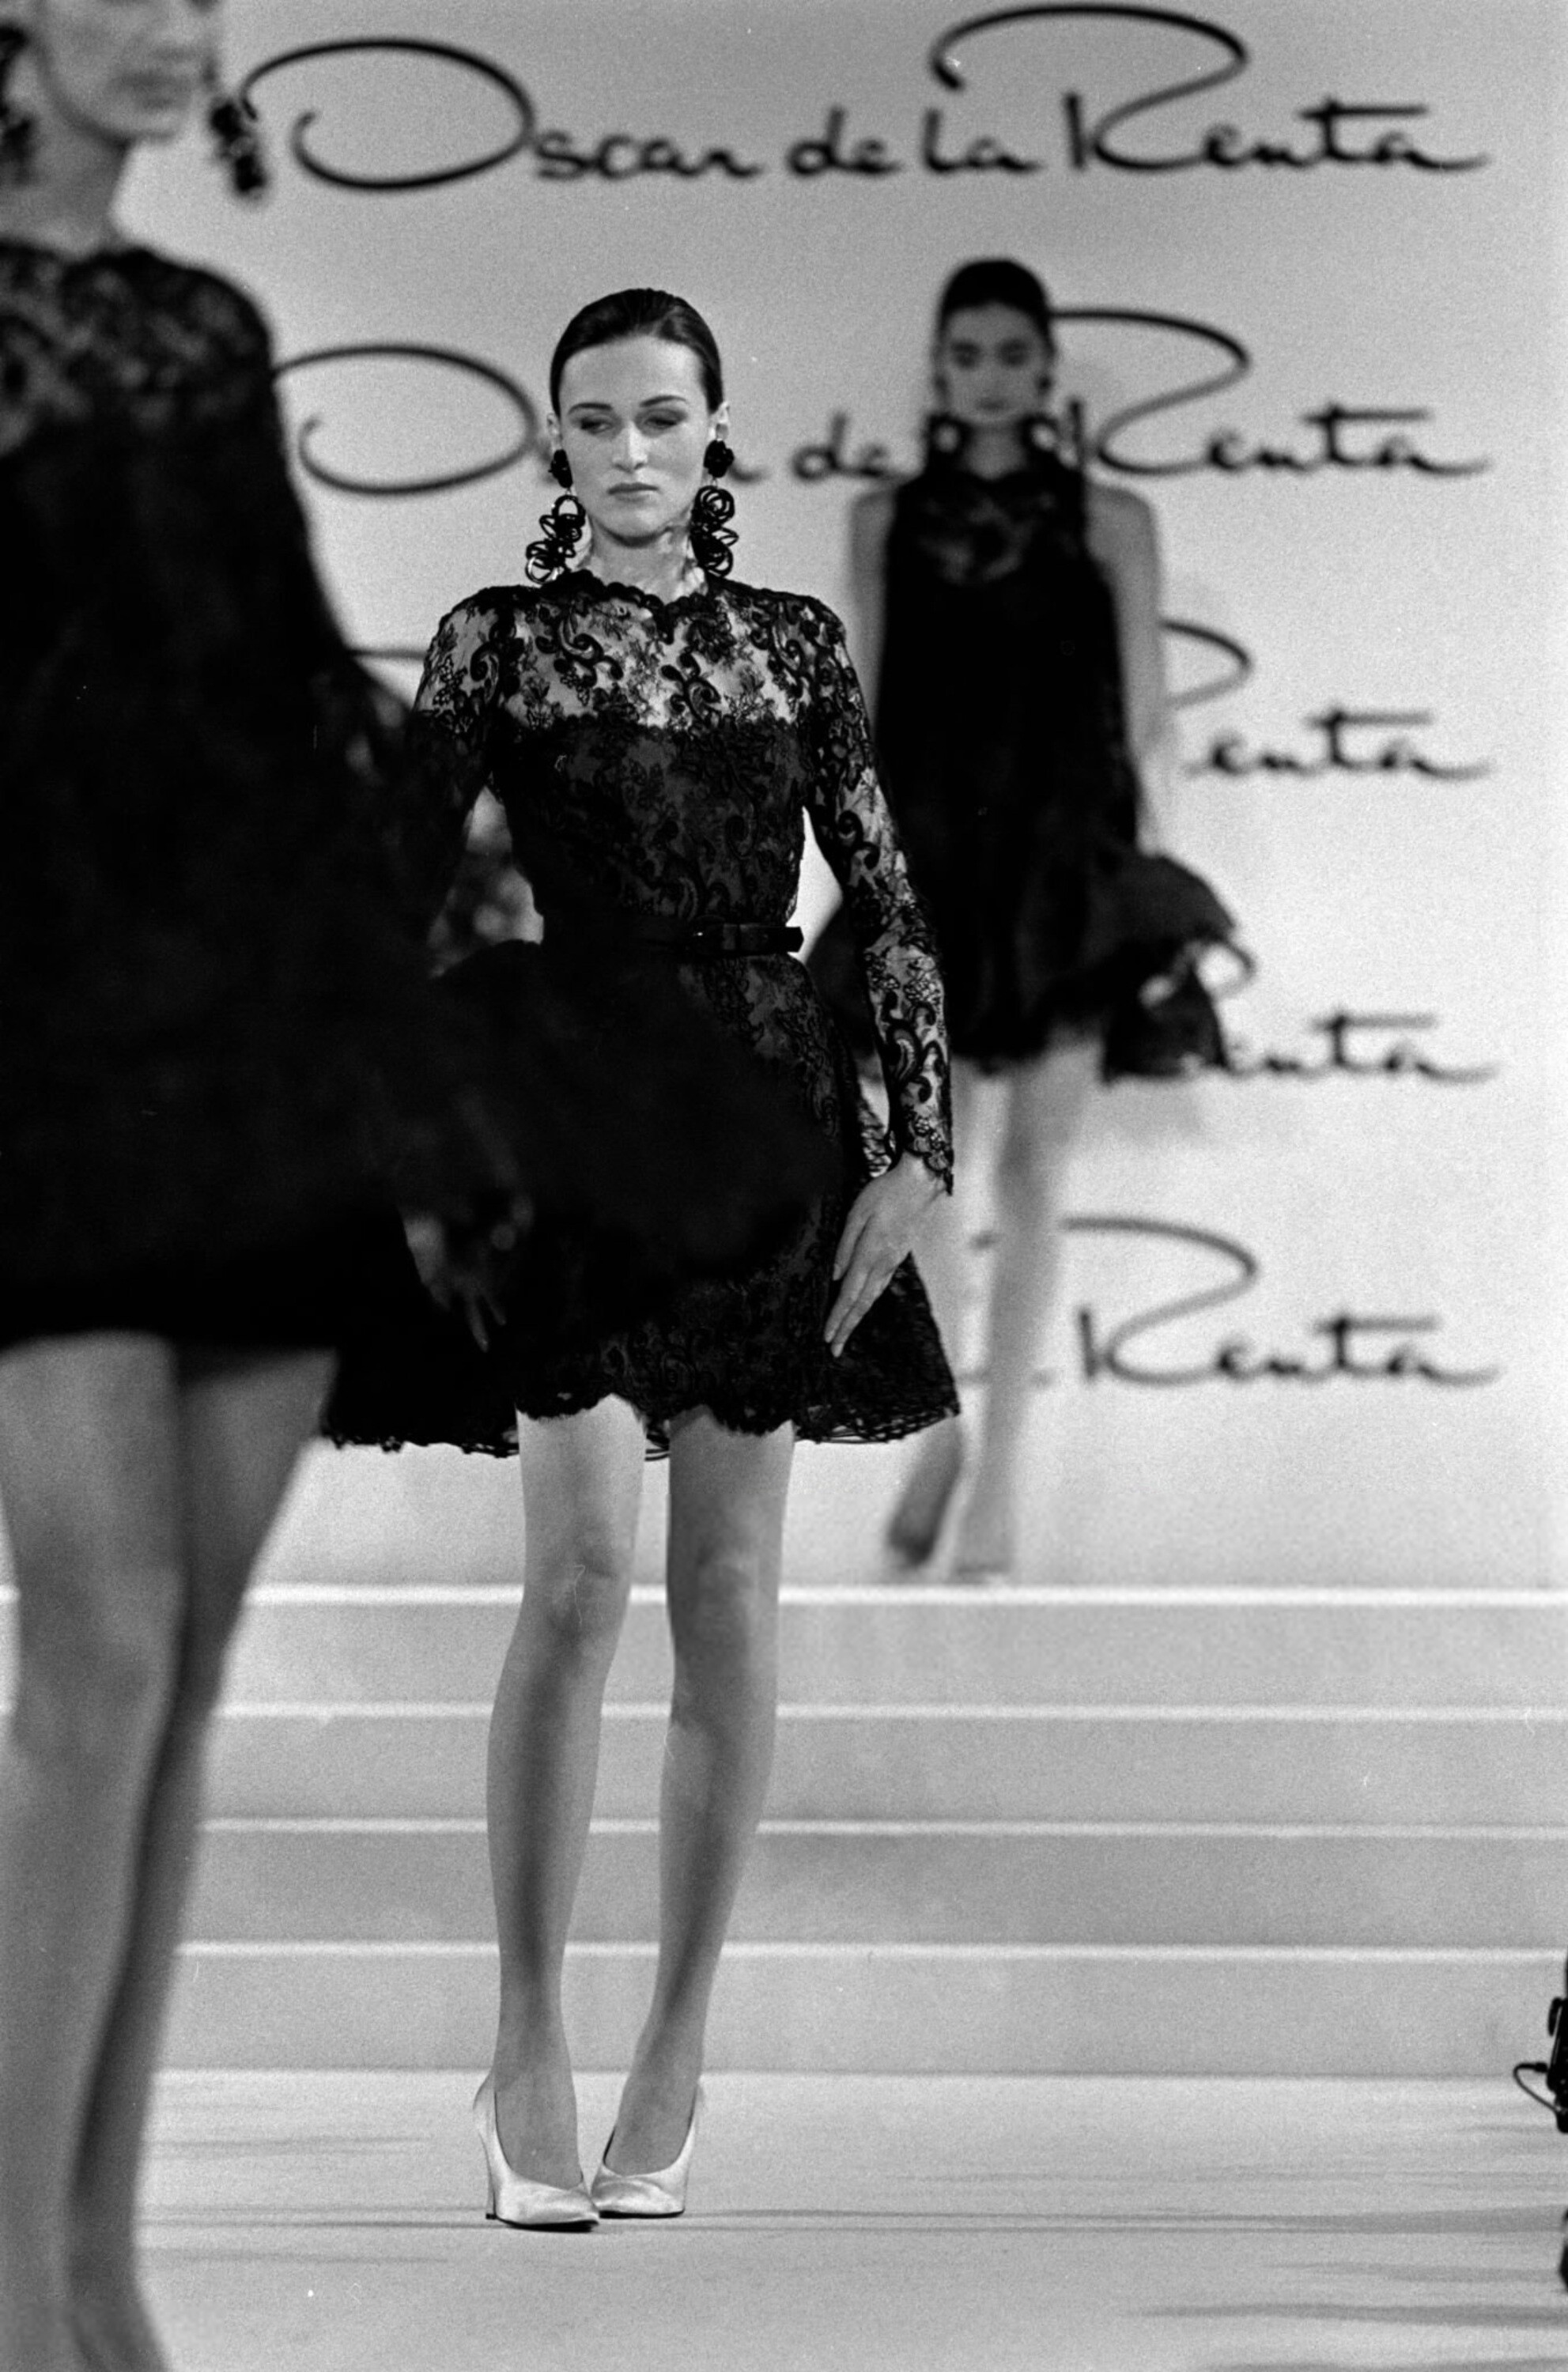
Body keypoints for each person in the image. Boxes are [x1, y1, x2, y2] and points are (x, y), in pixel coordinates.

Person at [0, 17, 819, 2368]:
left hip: (245, 1044)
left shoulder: (201, 324)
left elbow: (279, 706)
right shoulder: (452, 600)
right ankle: (32, 2288)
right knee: (100, 1663)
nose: (180, 23)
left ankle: (88, 2279)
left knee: (161, 1676)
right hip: (65, 1031)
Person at [331, 287, 957, 2229]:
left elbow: (890, 908)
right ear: (555, 437)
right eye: (593, 418)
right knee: (582, 1575)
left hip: (765, 1123)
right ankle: (524, 2041)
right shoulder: (496, 643)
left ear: (713, 431)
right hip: (572, 1124)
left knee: (731, 1590)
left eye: (661, 416)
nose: (627, 450)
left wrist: (920, 1156)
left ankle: (676, 2046)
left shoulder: (793, 646)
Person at [809, 257, 1237, 1582]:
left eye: (1011, 353)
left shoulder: (1113, 519)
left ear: (1047, 369)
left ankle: (997, 1481)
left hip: (1065, 875)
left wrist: (1148, 880)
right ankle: (943, 1433)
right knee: (926, 1171)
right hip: (932, 872)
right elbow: (865, 710)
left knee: (1036, 1179)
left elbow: (1148, 713)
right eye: (968, 353)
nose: (990, 376)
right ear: (938, 370)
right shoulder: (882, 519)